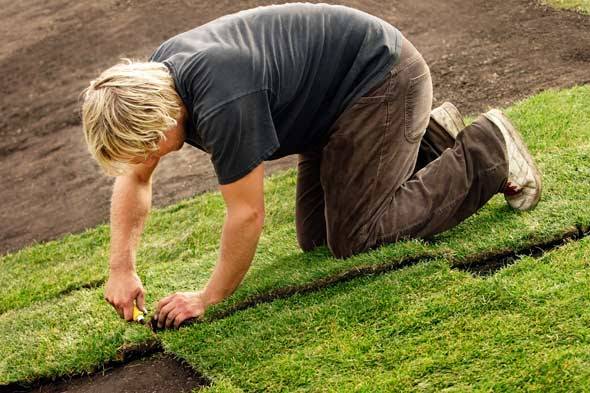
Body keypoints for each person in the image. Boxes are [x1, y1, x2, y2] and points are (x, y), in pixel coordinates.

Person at [81, 3, 541, 329]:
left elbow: (247, 215)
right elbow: (134, 177)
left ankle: (486, 149)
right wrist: (121, 266)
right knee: (318, 238)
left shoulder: (223, 104)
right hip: (333, 111)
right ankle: (433, 142)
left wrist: (208, 297)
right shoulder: (158, 81)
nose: (147, 160)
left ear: (161, 117)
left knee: (357, 237)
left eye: (146, 146)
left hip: (382, 80)